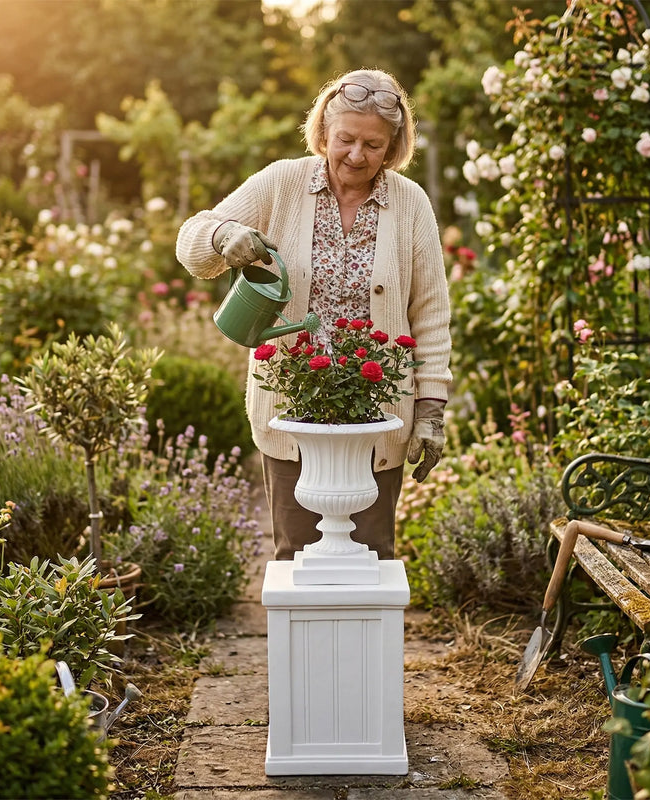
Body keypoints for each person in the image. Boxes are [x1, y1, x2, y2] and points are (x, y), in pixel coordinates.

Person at [176, 68, 452, 560]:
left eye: (373, 144)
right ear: (323, 130)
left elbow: (430, 313)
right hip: (292, 407)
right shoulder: (282, 183)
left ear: (392, 147)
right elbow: (193, 240)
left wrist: (430, 409)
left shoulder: (411, 204)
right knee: (297, 558)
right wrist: (222, 237)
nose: (356, 155)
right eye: (345, 138)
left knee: (370, 556)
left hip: (378, 413)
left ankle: (365, 640)